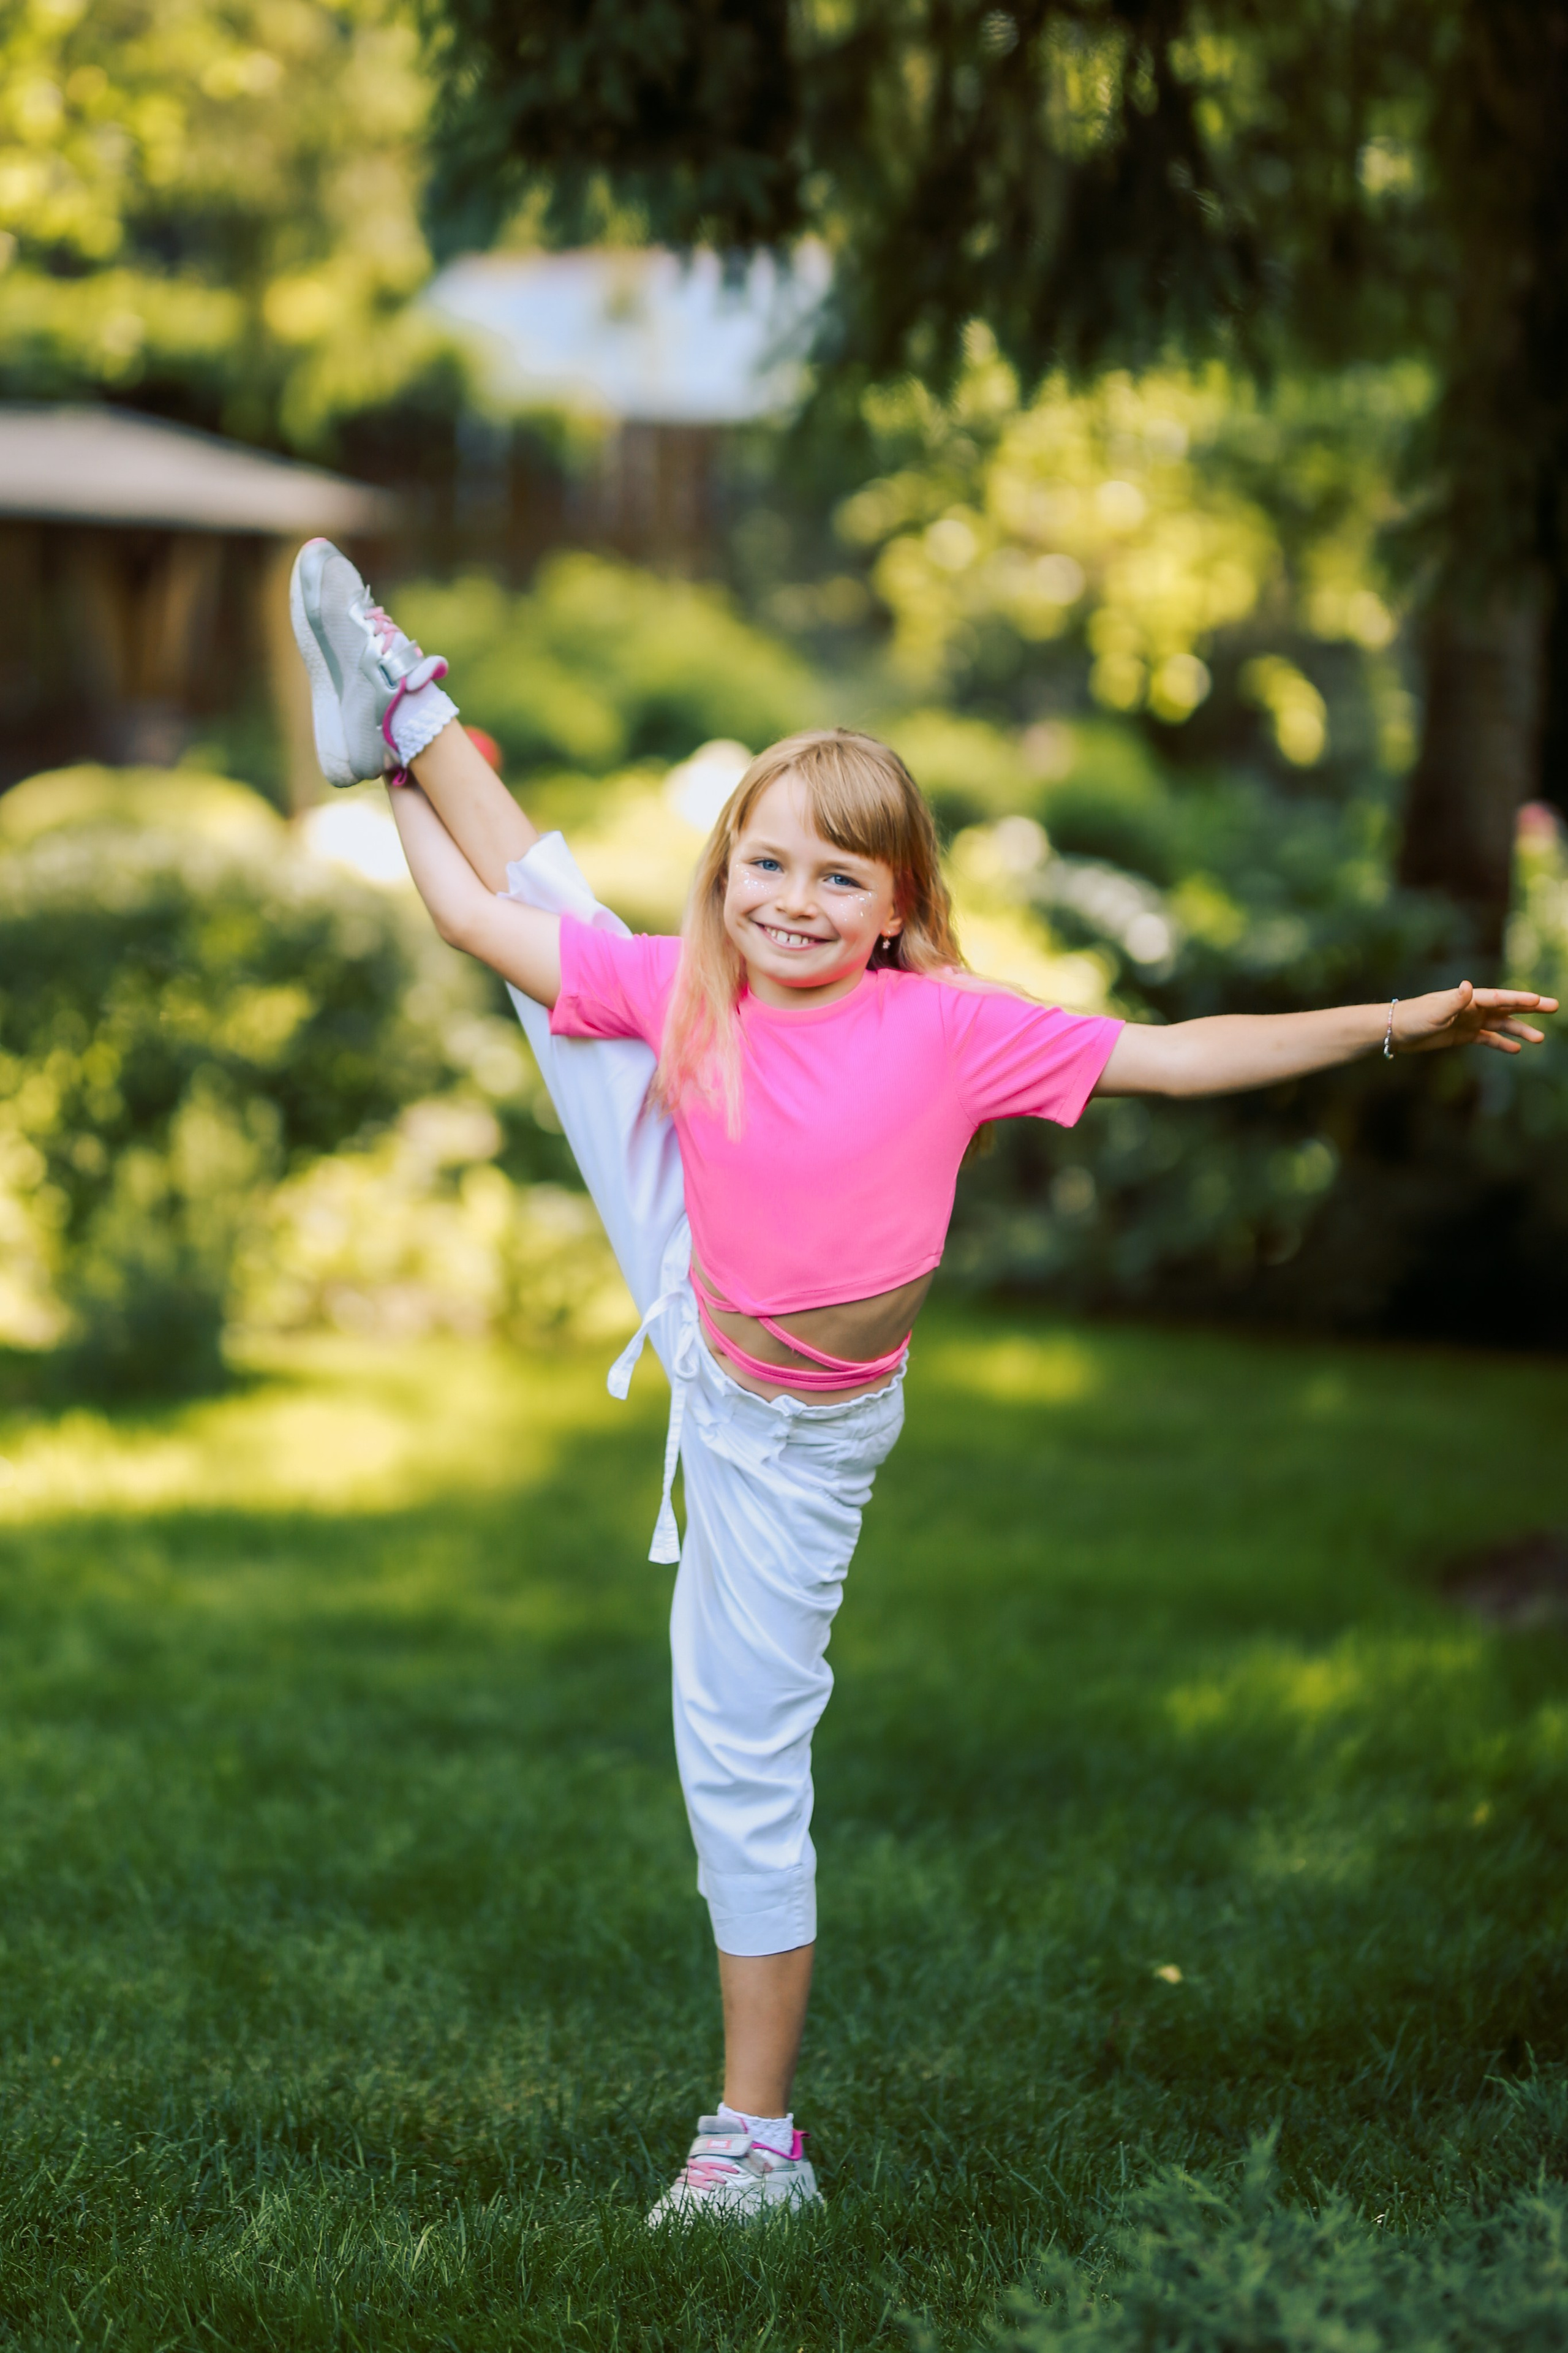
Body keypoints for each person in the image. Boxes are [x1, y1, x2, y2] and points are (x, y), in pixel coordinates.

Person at [289, 538, 1558, 2226]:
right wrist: (381, 779)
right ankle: (404, 700)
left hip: (792, 1443)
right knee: (573, 959)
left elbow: (1177, 1058)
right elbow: (468, 911)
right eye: (764, 863)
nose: (793, 899)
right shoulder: (697, 983)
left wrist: (1399, 1019)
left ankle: (757, 2141)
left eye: (836, 877)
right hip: (700, 1290)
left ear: (897, 905)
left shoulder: (950, 1026)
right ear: (727, 871)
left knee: (747, 1755)